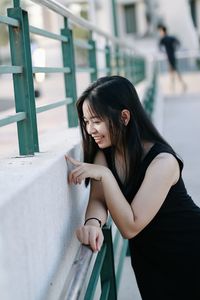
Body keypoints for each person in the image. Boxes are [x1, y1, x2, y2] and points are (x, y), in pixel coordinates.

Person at [65, 76, 200, 299]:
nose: (90, 130)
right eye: (86, 122)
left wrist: (106, 175)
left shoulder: (163, 162)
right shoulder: (104, 154)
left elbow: (130, 226)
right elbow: (98, 200)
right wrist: (92, 223)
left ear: (124, 117)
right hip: (151, 261)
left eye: (96, 121)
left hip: (189, 251)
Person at [158, 24, 187, 92]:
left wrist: (164, 51)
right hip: (172, 56)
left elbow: (159, 47)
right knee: (173, 70)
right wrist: (174, 49)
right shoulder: (170, 37)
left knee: (174, 70)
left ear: (162, 31)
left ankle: (180, 84)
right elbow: (178, 43)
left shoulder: (164, 39)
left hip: (170, 57)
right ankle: (174, 85)